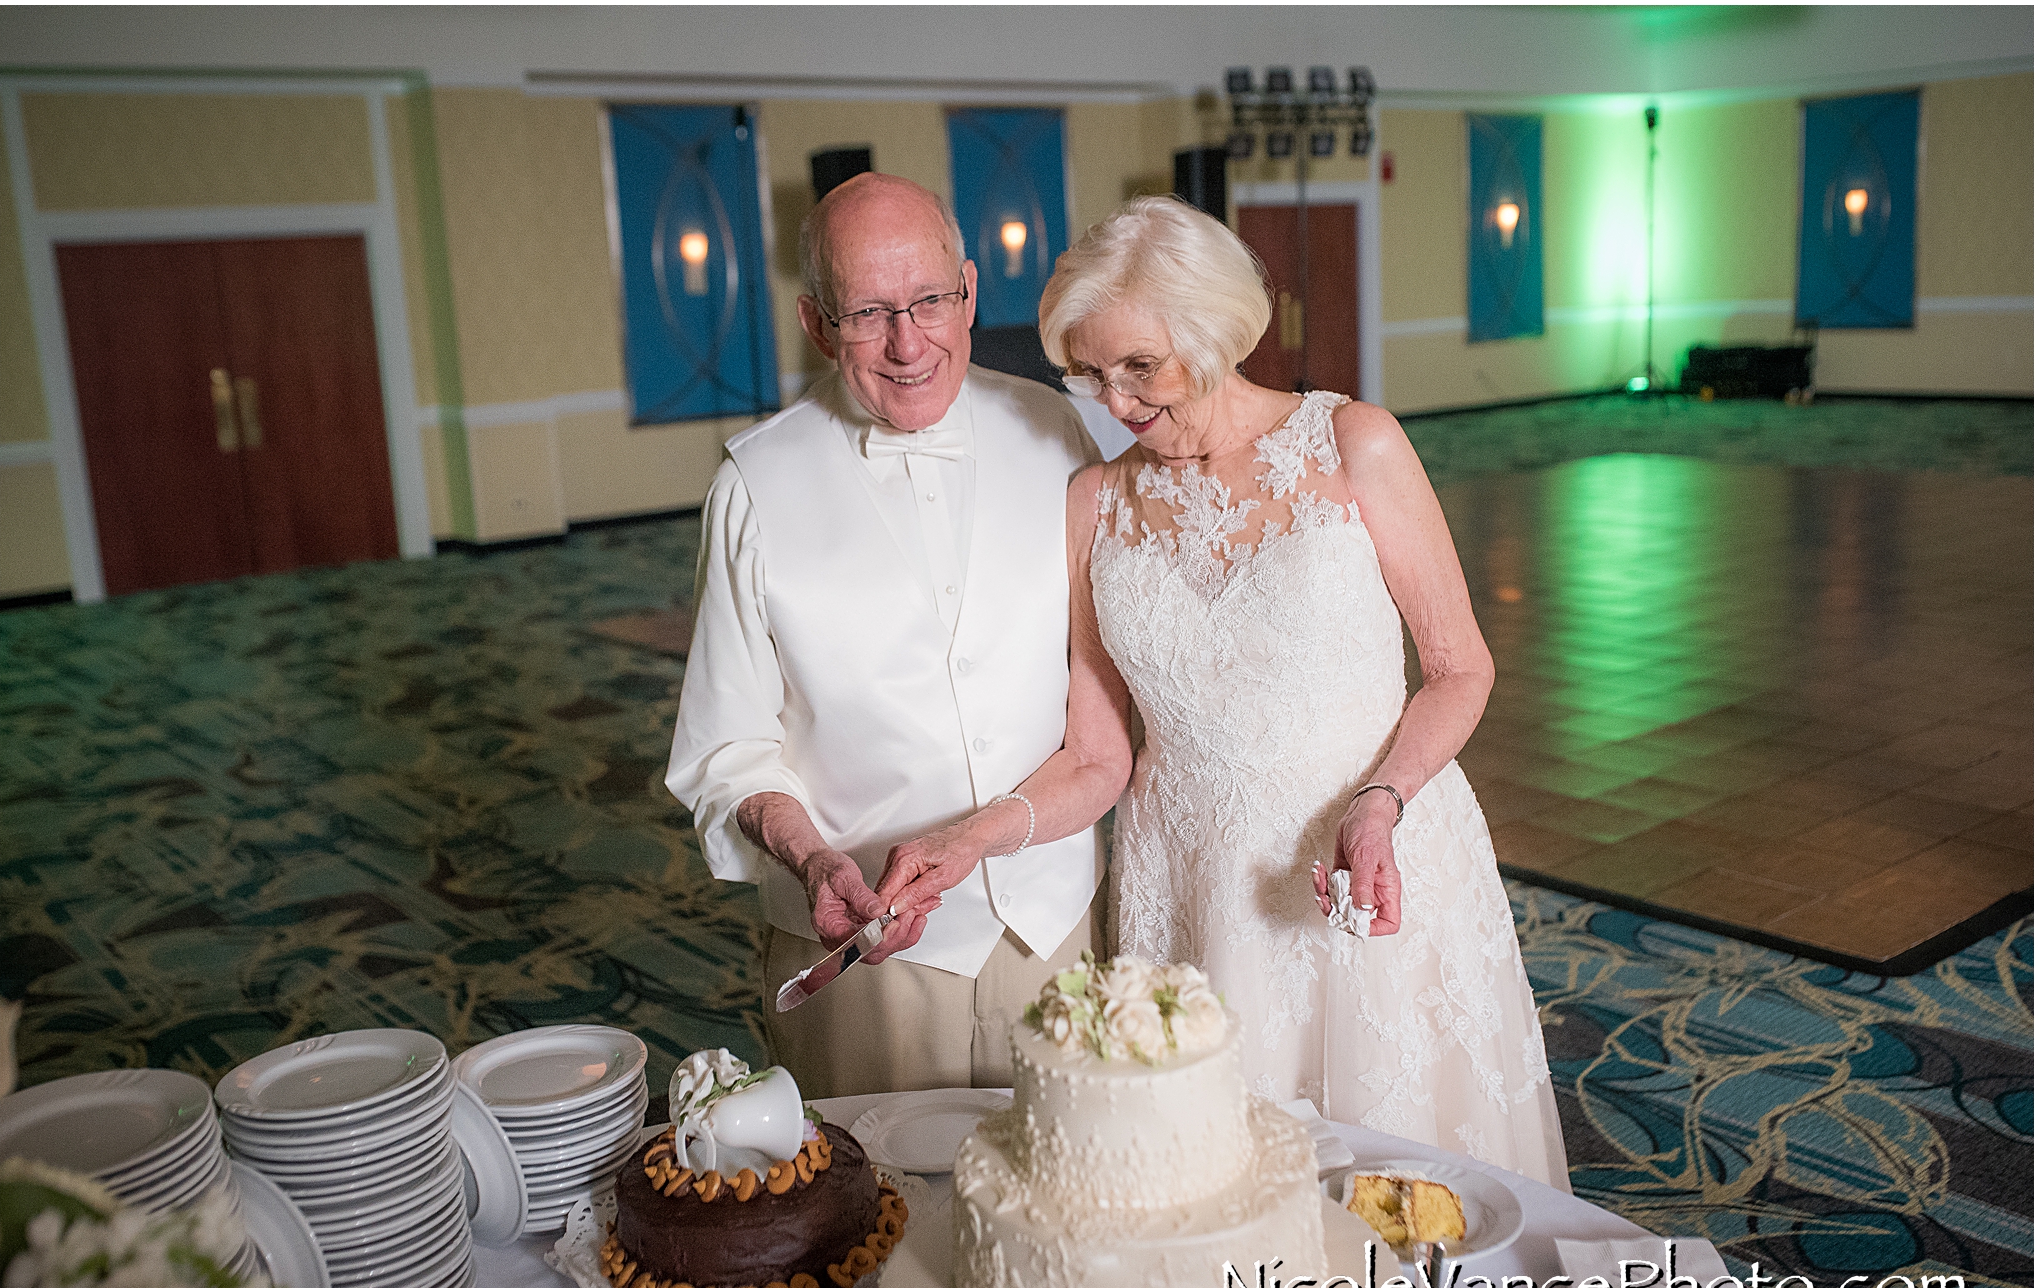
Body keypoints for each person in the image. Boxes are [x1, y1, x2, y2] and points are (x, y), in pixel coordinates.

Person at [876, 197, 1570, 1189]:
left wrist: (1382, 801)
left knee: (1408, 1197)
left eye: (1138, 368)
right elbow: (1095, 754)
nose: (1113, 401)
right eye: (1091, 373)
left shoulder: (1352, 445)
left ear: (1209, 333)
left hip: (1368, 859)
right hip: (1192, 893)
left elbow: (1459, 667)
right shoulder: (1092, 503)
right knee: (1222, 1204)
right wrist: (967, 837)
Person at [664, 173, 1106, 1101]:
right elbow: (725, 754)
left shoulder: (1058, 432)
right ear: (817, 324)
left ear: (971, 292)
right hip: (868, 959)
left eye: (930, 302)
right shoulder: (753, 488)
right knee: (877, 1232)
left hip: (1057, 923)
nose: (909, 343)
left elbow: (1104, 695)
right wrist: (814, 859)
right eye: (869, 313)